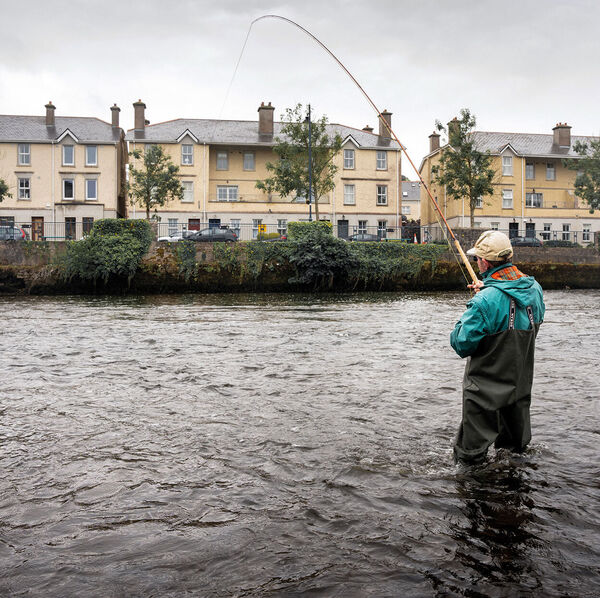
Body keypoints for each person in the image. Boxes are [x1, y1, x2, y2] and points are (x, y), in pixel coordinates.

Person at [450, 230, 545, 464]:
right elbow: (534, 322)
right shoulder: (536, 290)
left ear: (484, 261)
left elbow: (461, 343)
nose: (476, 263)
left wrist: (475, 306)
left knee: (470, 460)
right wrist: (489, 291)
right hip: (519, 387)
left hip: (483, 393)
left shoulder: (484, 301)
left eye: (476, 259)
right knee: (514, 455)